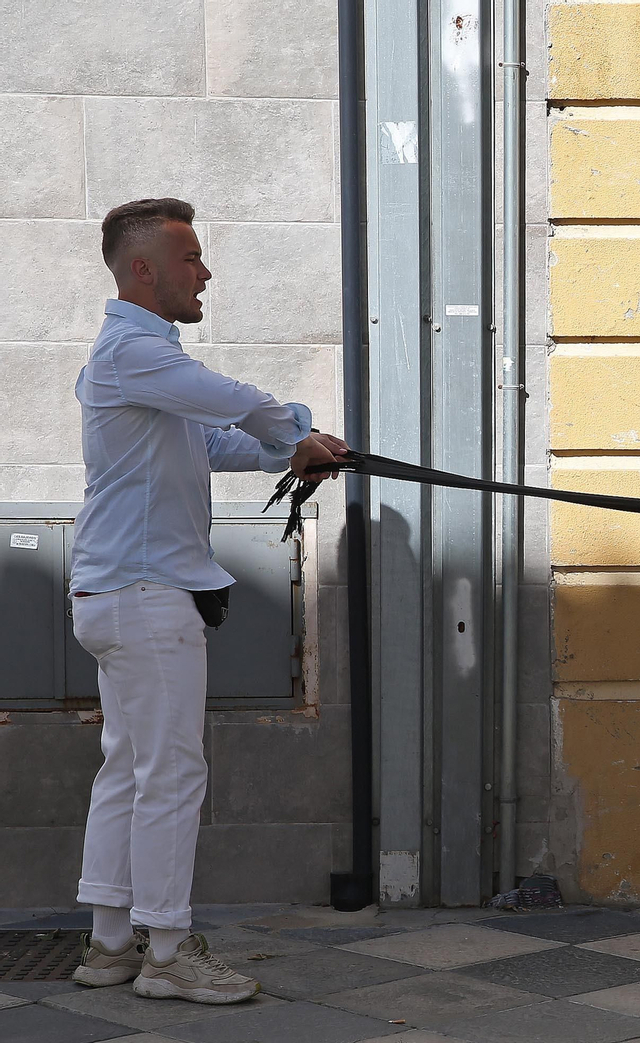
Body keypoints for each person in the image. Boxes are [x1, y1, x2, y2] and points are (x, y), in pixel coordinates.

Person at [67, 198, 348, 1004]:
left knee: (131, 768)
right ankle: (166, 950)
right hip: (145, 596)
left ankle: (113, 943)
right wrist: (298, 427)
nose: (206, 271)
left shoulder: (139, 365)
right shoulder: (134, 351)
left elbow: (214, 438)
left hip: (125, 594)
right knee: (171, 773)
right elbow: (234, 401)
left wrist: (287, 451)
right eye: (190, 257)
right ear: (143, 269)